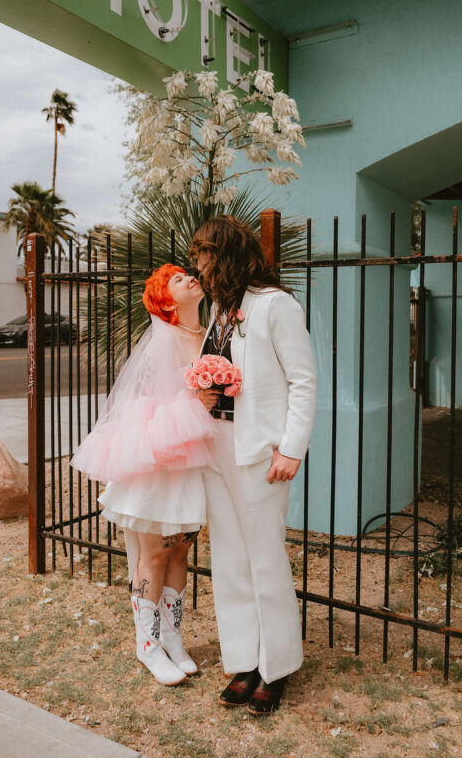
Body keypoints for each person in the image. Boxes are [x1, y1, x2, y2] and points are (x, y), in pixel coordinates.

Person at [189, 215, 317, 715]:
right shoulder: (220, 308)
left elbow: (303, 381)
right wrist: (200, 389)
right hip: (216, 448)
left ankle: (276, 667)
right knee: (229, 559)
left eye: (202, 253)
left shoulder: (275, 306)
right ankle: (243, 660)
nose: (196, 262)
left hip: (260, 451)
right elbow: (216, 375)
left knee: (265, 559)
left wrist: (291, 448)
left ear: (224, 254)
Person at [71, 264, 218, 686]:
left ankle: (172, 637)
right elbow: (146, 403)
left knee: (181, 551)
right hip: (159, 457)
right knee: (153, 553)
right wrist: (198, 405)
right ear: (166, 301)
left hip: (192, 459)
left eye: (189, 274)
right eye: (177, 279)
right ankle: (148, 644)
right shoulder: (162, 341)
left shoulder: (208, 333)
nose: (190, 278)